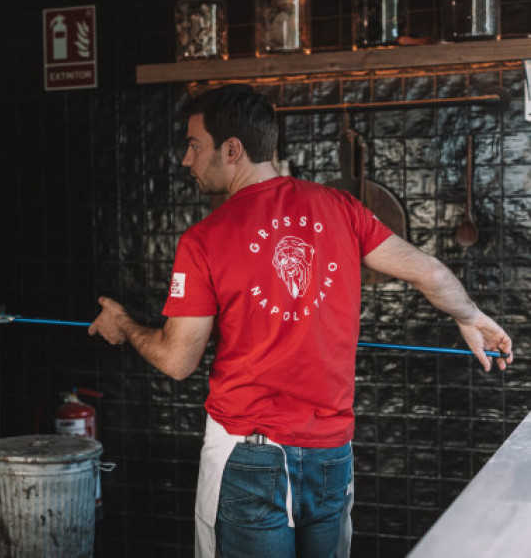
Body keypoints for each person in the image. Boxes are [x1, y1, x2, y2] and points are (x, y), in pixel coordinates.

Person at [87, 84, 513, 558]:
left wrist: (123, 325)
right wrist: (470, 316)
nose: (187, 160)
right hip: (331, 453)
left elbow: (177, 359)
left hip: (248, 456)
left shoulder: (204, 240)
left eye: (193, 145)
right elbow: (430, 271)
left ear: (232, 149)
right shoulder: (342, 209)